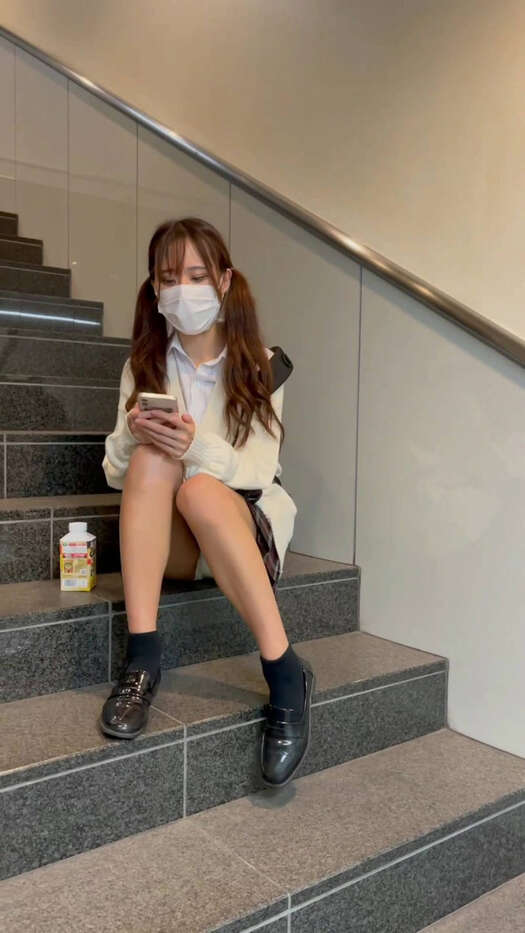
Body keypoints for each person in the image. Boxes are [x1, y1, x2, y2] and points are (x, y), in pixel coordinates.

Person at [99, 217, 315, 787]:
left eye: (197, 276)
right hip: (174, 543)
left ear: (223, 281)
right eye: (169, 278)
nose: (183, 290)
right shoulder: (142, 364)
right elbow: (115, 472)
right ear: (154, 287)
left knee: (198, 487)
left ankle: (284, 673)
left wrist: (195, 446)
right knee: (151, 459)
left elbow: (259, 471)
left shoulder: (263, 364)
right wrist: (134, 432)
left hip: (239, 531)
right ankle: (142, 658)